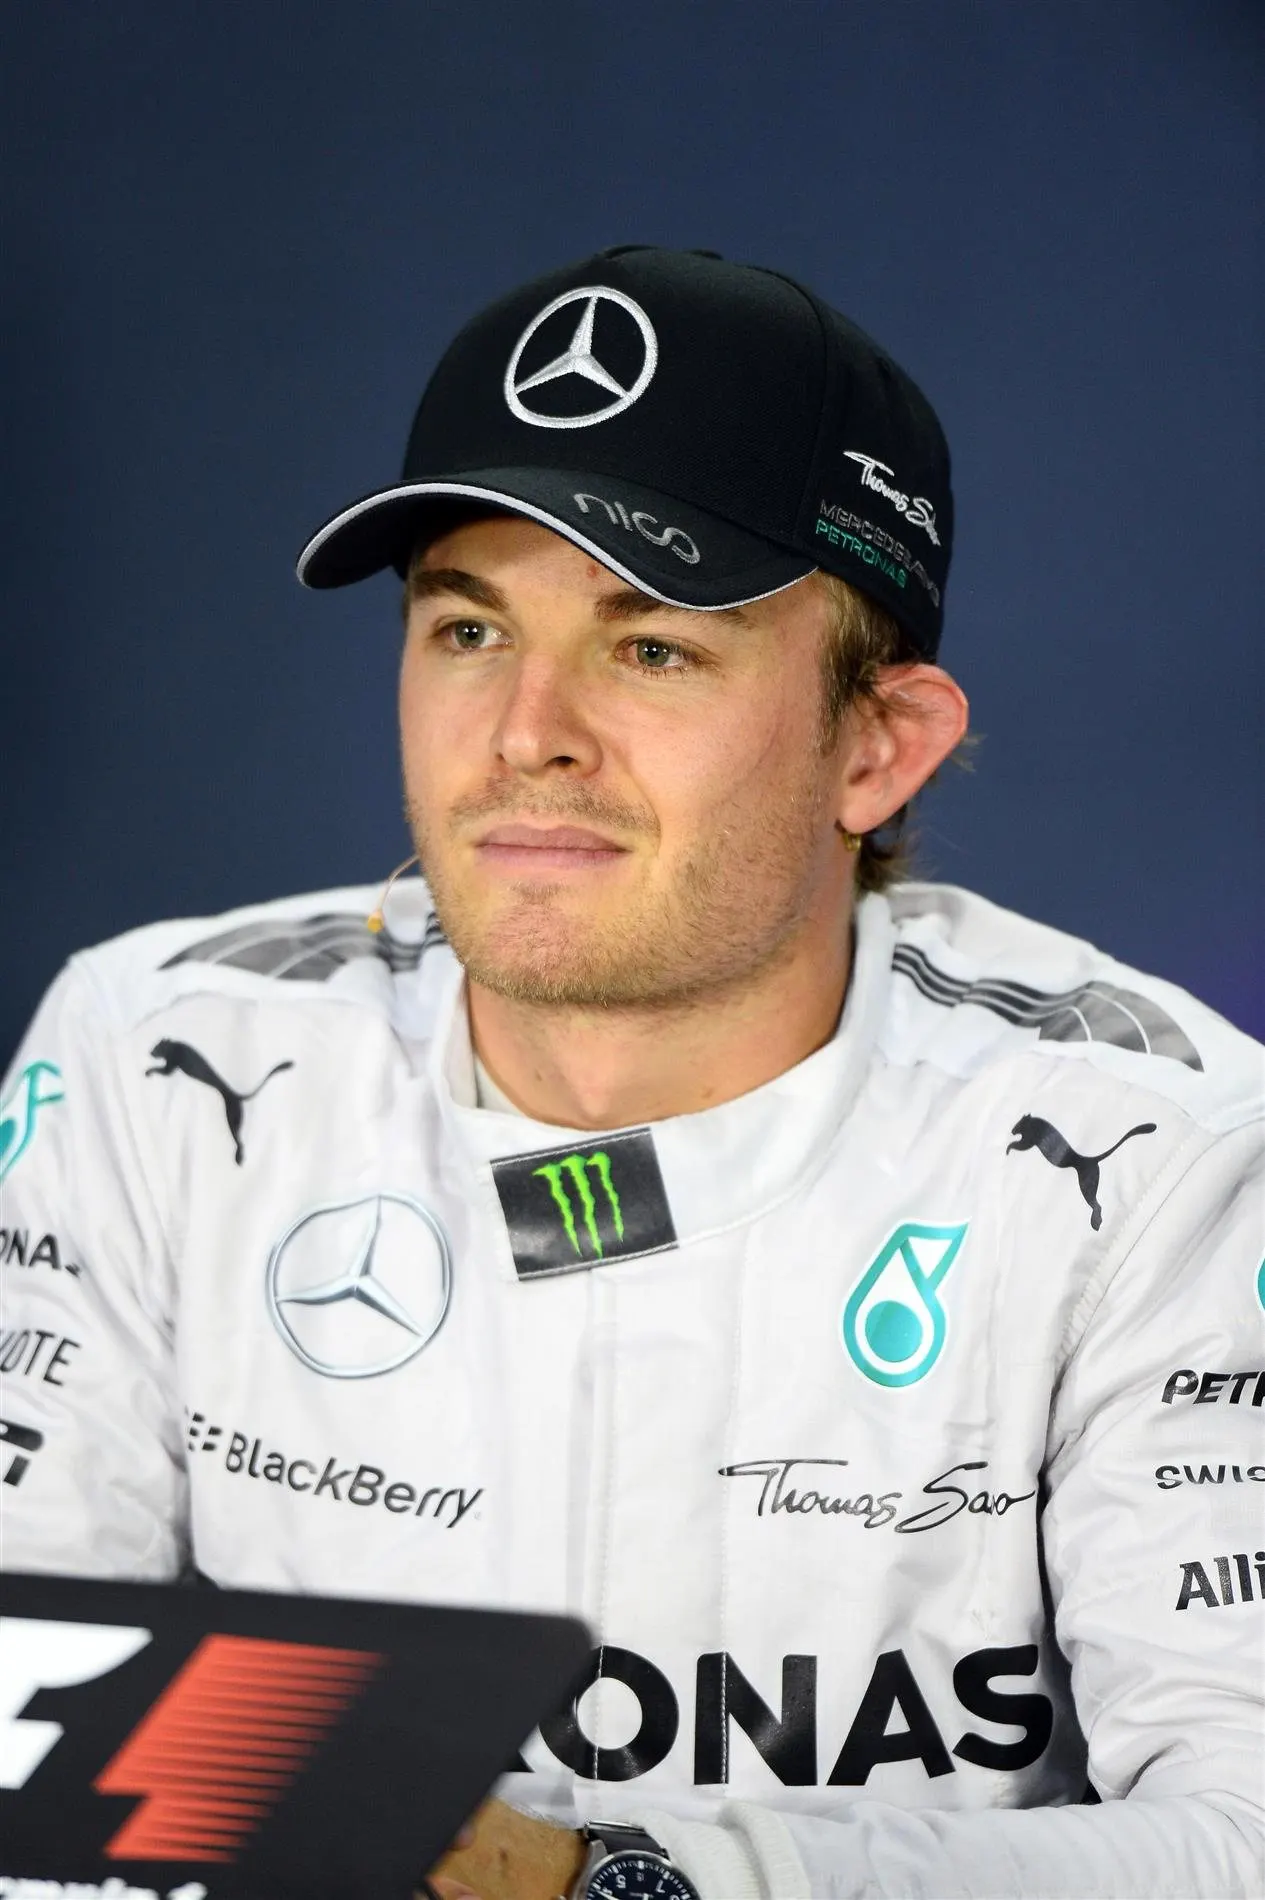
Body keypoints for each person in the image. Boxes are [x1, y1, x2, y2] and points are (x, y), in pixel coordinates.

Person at [1, 246, 1261, 1900]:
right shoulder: (154, 1055)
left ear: (877, 746)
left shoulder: (1159, 1142)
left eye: (651, 647)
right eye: (468, 624)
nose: (526, 731)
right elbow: (22, 1737)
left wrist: (599, 1879)